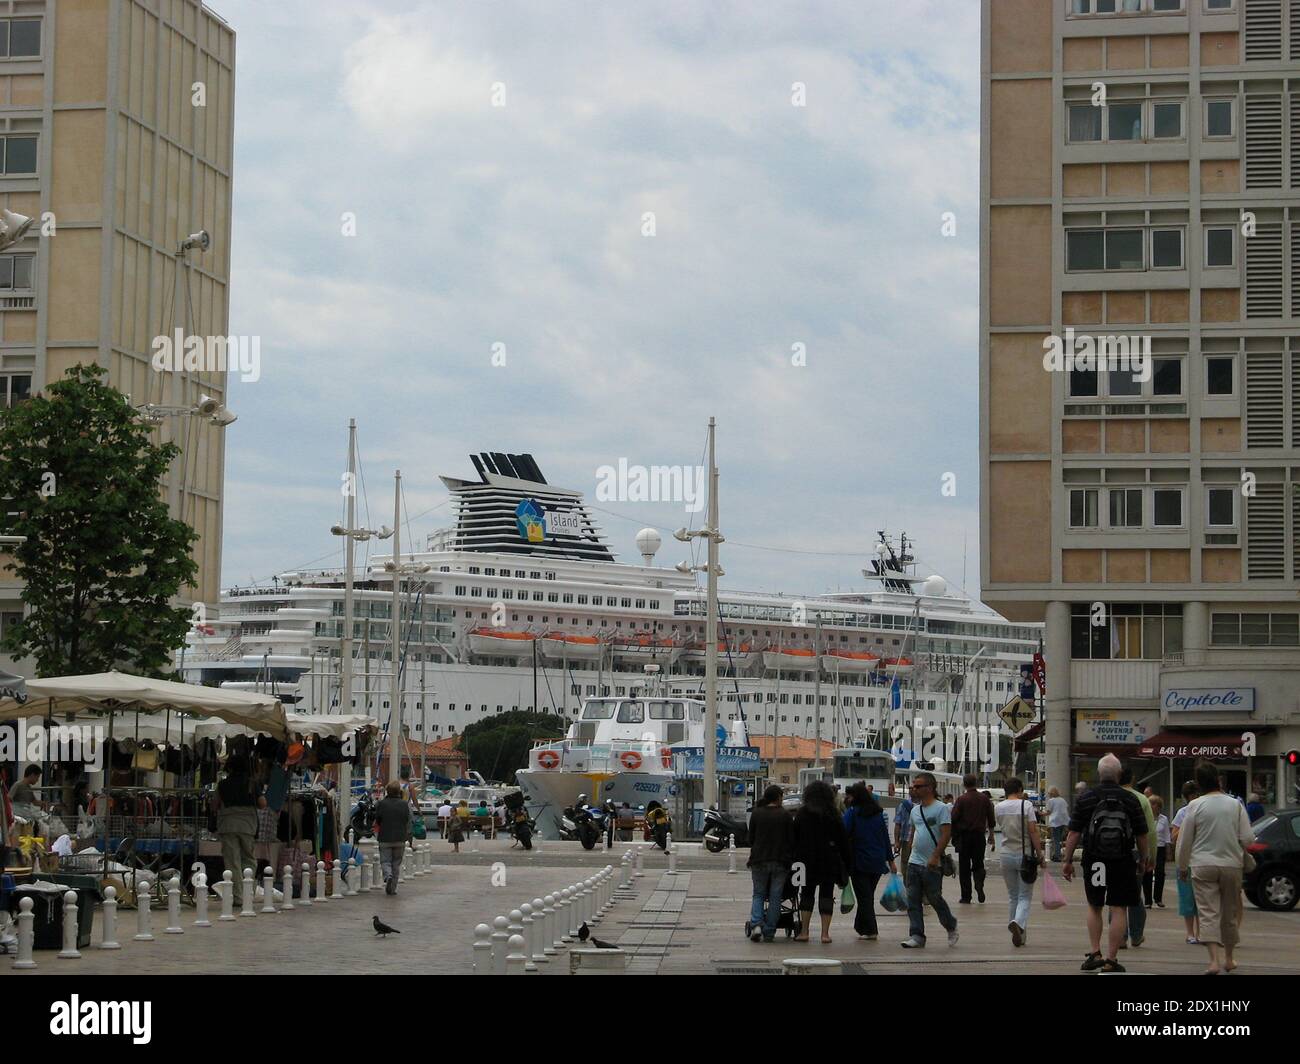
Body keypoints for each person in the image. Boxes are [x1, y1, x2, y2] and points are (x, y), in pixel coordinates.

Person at [1062, 754, 1148, 974]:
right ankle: (1111, 959)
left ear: (1099, 774)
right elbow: (1141, 835)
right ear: (1119, 774)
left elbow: (1073, 833)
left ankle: (1095, 953)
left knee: (1095, 904)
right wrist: (1143, 860)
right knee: (1118, 907)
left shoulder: (1087, 797)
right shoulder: (1130, 799)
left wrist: (1068, 860)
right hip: (1122, 860)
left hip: (1094, 859)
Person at [1176, 761, 1254, 975]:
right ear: (1219, 780)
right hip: (1231, 865)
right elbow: (1248, 838)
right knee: (1229, 912)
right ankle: (1229, 958)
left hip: (1202, 865)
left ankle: (1213, 961)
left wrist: (1182, 866)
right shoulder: (1235, 804)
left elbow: (1184, 841)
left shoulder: (1195, 805)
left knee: (1208, 913)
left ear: (1199, 783)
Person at [901, 772, 959, 949]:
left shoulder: (941, 808)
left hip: (933, 864)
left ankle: (950, 925)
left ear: (930, 788)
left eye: (918, 786)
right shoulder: (915, 810)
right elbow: (913, 831)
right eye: (914, 786)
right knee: (912, 900)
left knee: (934, 898)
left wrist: (935, 856)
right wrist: (910, 847)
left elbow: (946, 833)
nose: (914, 789)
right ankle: (917, 935)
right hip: (914, 862)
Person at [792, 779, 850, 944]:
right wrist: (847, 862)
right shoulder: (833, 814)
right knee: (826, 895)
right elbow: (843, 840)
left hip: (805, 860)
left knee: (807, 894)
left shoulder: (802, 813)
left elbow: (793, 837)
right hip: (829, 860)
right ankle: (825, 934)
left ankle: (804, 932)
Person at [843, 782, 896, 940]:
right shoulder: (878, 814)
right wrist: (890, 860)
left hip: (859, 860)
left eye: (850, 796)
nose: (848, 798)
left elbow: (844, 832)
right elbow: (885, 838)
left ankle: (871, 930)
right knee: (867, 895)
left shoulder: (853, 813)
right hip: (877, 861)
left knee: (865, 897)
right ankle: (861, 926)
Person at [995, 777, 1043, 947]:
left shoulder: (998, 807)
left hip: (1005, 854)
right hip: (1024, 856)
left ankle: (1018, 933)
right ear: (1020, 790)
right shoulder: (1026, 805)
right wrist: (1040, 854)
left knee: (1013, 896)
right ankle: (1018, 923)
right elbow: (1033, 831)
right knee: (1024, 896)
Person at [746, 785, 795, 943]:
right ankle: (769, 930)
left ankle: (756, 925)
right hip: (780, 861)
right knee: (776, 896)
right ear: (778, 797)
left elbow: (750, 839)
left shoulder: (757, 813)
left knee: (759, 893)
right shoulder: (785, 815)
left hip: (759, 860)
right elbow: (791, 839)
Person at [1119, 765, 1158, 948]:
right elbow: (1149, 831)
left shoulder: (1109, 795)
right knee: (1135, 895)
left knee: (1115, 897)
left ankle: (1119, 936)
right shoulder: (1141, 798)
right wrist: (1150, 856)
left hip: (1112, 852)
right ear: (1132, 779)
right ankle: (1136, 935)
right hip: (1135, 852)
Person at [213, 757, 258, 907]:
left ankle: (238, 897)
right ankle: (248, 893)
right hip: (247, 825)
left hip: (228, 825)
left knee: (232, 861)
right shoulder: (252, 784)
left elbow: (215, 805)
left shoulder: (223, 784)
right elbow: (263, 803)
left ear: (230, 769)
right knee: (249, 859)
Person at [951, 774, 995, 904]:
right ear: (976, 783)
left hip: (964, 837)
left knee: (964, 867)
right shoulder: (984, 799)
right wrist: (991, 835)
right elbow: (991, 819)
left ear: (964, 784)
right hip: (979, 836)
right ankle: (979, 883)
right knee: (978, 863)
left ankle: (966, 896)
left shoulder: (961, 799)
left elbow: (953, 817)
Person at [1172, 780, 1200, 943]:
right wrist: (1186, 826)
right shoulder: (1182, 813)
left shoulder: (1204, 810)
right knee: (1187, 897)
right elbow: (1173, 836)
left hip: (1200, 858)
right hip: (1185, 859)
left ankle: (1200, 932)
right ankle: (1190, 933)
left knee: (1201, 898)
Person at [372, 782, 412, 894]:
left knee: (385, 861)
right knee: (396, 863)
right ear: (399, 791)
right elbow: (406, 820)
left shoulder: (382, 804)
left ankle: (387, 875)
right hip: (400, 838)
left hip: (385, 837)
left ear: (387, 791)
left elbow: (378, 819)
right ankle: (392, 889)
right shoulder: (404, 804)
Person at [1148, 795, 1170, 908]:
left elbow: (1167, 836)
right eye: (1150, 803)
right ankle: (1147, 900)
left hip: (1160, 848)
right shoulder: (1146, 818)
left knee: (1160, 873)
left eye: (1153, 804)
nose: (1151, 806)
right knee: (1147, 873)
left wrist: (1168, 851)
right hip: (1148, 847)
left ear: (1159, 806)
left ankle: (1158, 898)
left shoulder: (1164, 819)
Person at [894, 791, 914, 885]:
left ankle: (910, 884)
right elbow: (897, 824)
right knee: (905, 863)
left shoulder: (925, 804)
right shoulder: (904, 805)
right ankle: (907, 884)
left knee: (907, 862)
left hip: (913, 840)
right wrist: (896, 841)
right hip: (906, 839)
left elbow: (898, 824)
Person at [1045, 786, 1070, 862]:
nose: (1048, 794)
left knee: (1055, 839)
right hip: (1063, 822)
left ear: (1051, 793)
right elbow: (1065, 810)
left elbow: (1048, 812)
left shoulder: (1051, 801)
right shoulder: (1062, 800)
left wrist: (1040, 814)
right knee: (1060, 840)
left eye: (1049, 793)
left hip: (1055, 822)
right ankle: (1061, 855)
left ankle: (1057, 856)